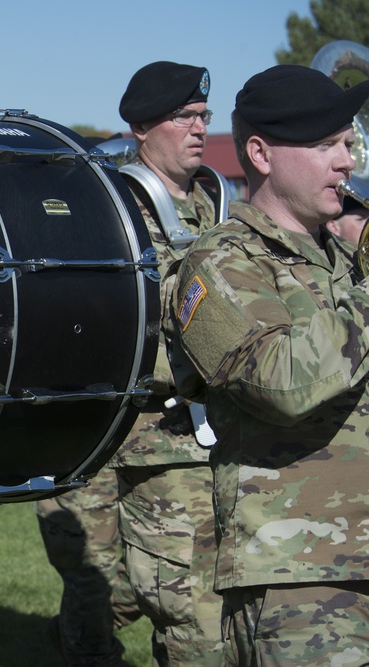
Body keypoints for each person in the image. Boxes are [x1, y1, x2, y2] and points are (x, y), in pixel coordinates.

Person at [166, 64, 369, 665]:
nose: (346, 159)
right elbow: (283, 381)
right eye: (323, 145)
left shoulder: (345, 255)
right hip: (302, 575)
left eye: (348, 142)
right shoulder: (218, 263)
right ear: (260, 153)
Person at [109, 61, 225, 666]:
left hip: (233, 439)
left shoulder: (218, 202)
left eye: (204, 115)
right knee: (194, 627)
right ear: (142, 127)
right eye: (184, 116)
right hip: (160, 443)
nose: (200, 127)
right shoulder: (115, 211)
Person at [35, 471, 142, 666]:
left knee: (159, 573)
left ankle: (76, 629)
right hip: (87, 469)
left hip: (159, 460)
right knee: (90, 581)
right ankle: (89, 650)